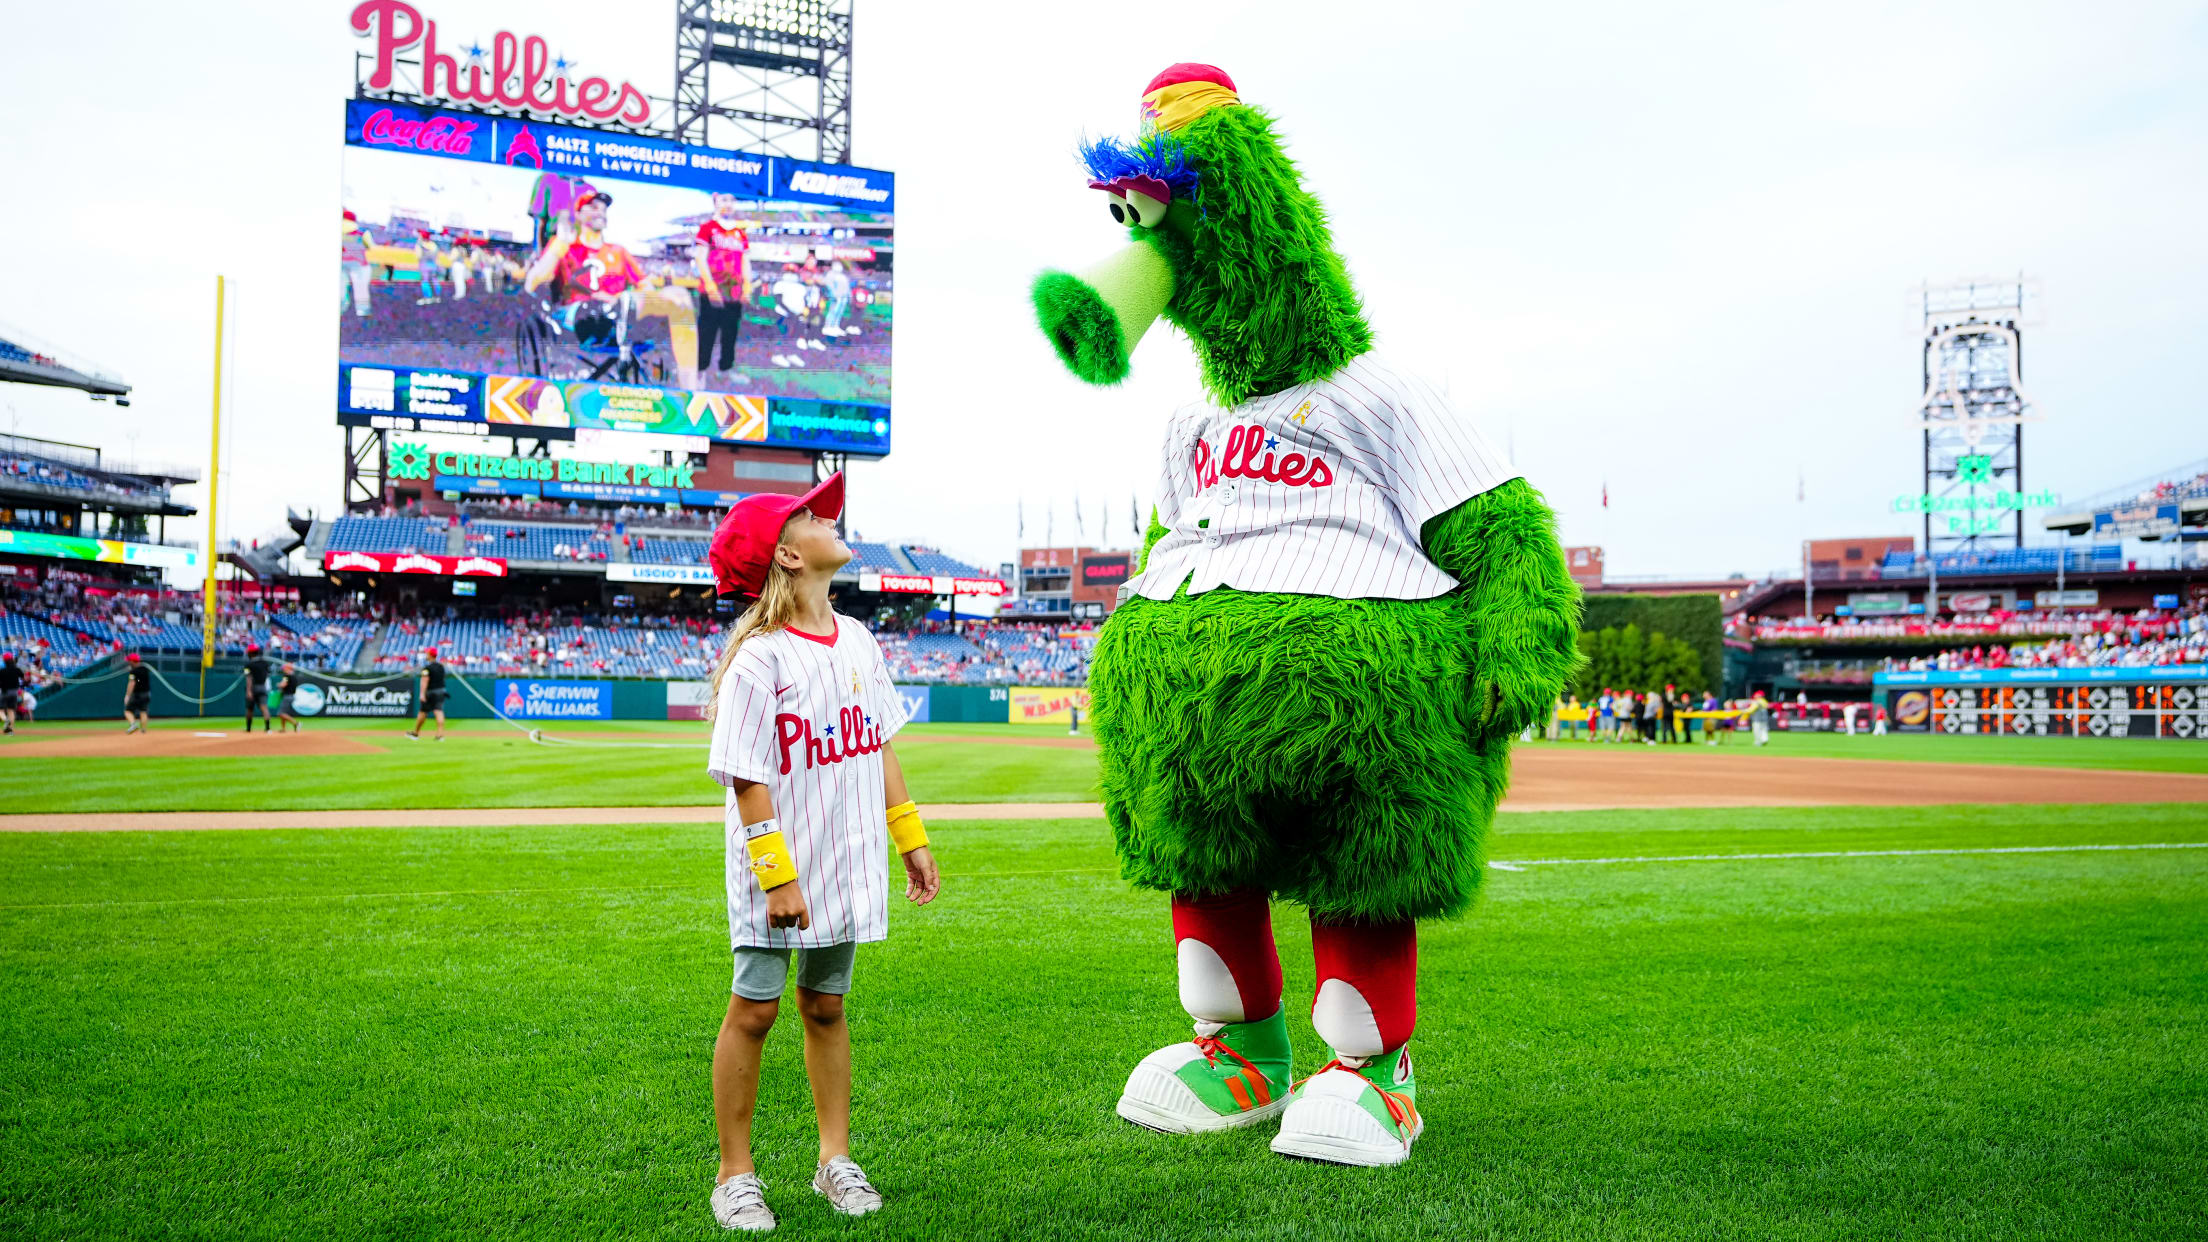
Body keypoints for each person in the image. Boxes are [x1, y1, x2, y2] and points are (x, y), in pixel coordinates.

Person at [699, 472, 942, 1231]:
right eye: (807, 517)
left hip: (846, 862)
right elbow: (746, 775)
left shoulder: (860, 639)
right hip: (782, 869)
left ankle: (834, 1160)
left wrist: (911, 836)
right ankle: (734, 1174)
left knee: (826, 1006)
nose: (828, 520)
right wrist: (776, 878)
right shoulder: (760, 659)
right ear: (787, 558)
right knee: (756, 1010)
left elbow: (880, 749)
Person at [693, 193, 750, 377]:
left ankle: (726, 368)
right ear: (715, 202)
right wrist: (710, 287)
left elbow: (745, 261)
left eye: (732, 200)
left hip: (733, 292)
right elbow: (700, 258)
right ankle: (700, 368)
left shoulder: (740, 233)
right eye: (724, 200)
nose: (728, 204)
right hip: (713, 290)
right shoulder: (708, 228)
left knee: (730, 333)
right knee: (707, 332)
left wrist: (747, 287)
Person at [407, 648, 448, 741]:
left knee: (423, 712)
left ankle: (416, 733)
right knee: (439, 711)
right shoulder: (441, 667)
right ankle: (440, 734)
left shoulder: (427, 668)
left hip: (430, 692)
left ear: (430, 655)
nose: (426, 654)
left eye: (427, 653)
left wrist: (422, 694)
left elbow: (424, 681)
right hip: (441, 691)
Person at [242, 644, 272, 734]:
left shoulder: (249, 664)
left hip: (253, 687)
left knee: (250, 709)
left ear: (250, 653)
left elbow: (249, 678)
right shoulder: (265, 663)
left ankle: (248, 729)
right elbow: (267, 675)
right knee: (264, 707)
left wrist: (248, 691)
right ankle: (267, 728)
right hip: (263, 687)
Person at [123, 653, 153, 734]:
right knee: (143, 711)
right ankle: (143, 730)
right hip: (146, 693)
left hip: (137, 694)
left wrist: (127, 695)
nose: (128, 662)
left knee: (127, 711)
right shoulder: (145, 669)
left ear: (133, 661)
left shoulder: (133, 671)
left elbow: (132, 683)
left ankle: (133, 724)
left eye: (130, 660)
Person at [276, 662, 303, 733]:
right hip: (291, 696)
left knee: (280, 713)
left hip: (287, 696)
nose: (283, 670)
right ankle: (283, 728)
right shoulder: (294, 676)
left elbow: (283, 685)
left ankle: (296, 723)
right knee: (284, 712)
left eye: (284, 668)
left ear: (288, 669)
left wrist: (278, 685)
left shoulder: (286, 676)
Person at [0, 651, 22, 734]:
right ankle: (10, 730)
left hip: (5, 692)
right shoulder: (17, 669)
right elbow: (23, 677)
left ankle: (6, 721)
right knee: (11, 711)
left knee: (1, 710)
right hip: (14, 692)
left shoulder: (2, 671)